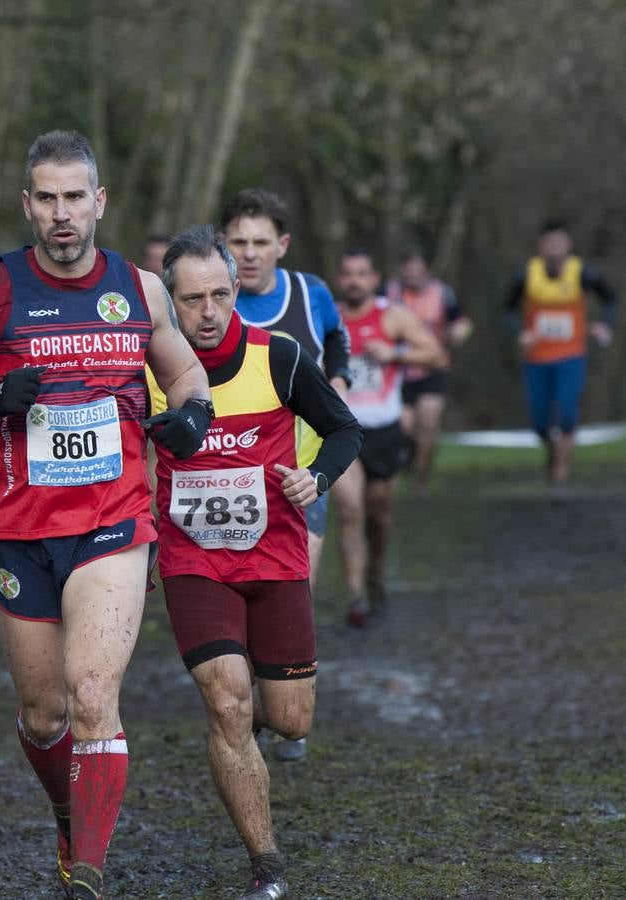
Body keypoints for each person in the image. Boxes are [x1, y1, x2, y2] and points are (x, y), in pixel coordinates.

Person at [0, 130, 212, 900]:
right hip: (18, 530)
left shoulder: (140, 288)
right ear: (28, 205)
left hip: (113, 522)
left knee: (90, 695)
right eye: (47, 198)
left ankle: (89, 875)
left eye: (75, 197)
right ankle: (68, 813)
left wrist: (194, 416)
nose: (62, 213)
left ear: (99, 201)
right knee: (44, 715)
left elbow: (184, 371)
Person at [150, 225, 361, 900]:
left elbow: (344, 428)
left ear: (235, 290)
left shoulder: (280, 357)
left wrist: (316, 478)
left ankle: (251, 740)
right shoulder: (148, 372)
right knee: (227, 701)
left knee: (290, 718)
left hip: (276, 561)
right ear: (168, 301)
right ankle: (266, 863)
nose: (207, 311)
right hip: (192, 563)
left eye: (218, 294)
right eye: (191, 299)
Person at [218, 187, 352, 763]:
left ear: (282, 245)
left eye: (259, 243)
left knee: (292, 589)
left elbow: (339, 342)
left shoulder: (309, 293)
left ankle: (284, 707)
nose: (248, 254)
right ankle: (245, 706)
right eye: (237, 242)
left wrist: (338, 385)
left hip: (298, 476)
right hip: (222, 479)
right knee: (232, 600)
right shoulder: (210, 302)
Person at [333, 249, 443, 626]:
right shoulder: (329, 317)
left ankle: (375, 572)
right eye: (348, 273)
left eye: (361, 273)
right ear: (339, 279)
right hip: (343, 432)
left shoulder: (392, 316)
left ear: (374, 278)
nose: (354, 281)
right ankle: (355, 597)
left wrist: (394, 352)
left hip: (385, 429)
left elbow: (433, 353)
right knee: (350, 510)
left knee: (377, 513)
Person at [505, 220, 618, 483]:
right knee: (540, 422)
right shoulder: (527, 275)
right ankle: (553, 451)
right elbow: (508, 310)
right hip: (536, 358)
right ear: (541, 246)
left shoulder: (582, 273)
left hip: (571, 354)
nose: (554, 248)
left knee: (567, 411)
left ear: (568, 244)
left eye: (559, 242)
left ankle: (561, 472)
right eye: (549, 242)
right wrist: (520, 332)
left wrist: (604, 325)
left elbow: (610, 299)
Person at [385, 249, 472, 492]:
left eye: (416, 271)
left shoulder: (442, 293)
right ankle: (411, 458)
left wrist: (459, 333)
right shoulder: (390, 293)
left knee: (429, 422)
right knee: (405, 427)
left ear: (426, 270)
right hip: (400, 369)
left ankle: (421, 481)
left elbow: (462, 321)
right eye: (407, 273)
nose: (412, 276)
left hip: (434, 366)